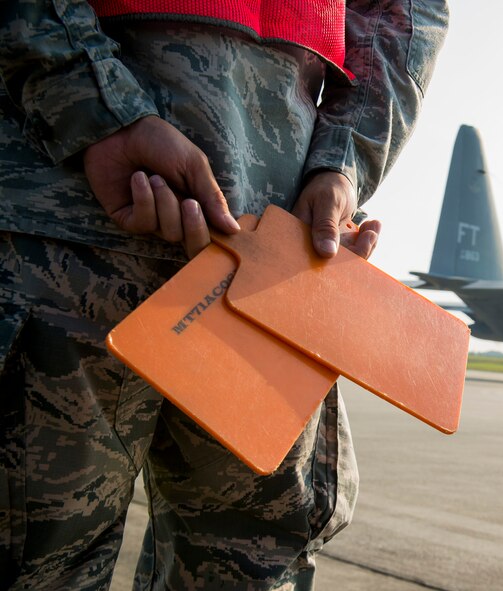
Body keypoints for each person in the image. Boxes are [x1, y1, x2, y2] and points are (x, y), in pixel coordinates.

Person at [0, 0, 448, 588]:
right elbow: (403, 15)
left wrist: (340, 167)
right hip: (108, 212)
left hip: (261, 252)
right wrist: (341, 159)